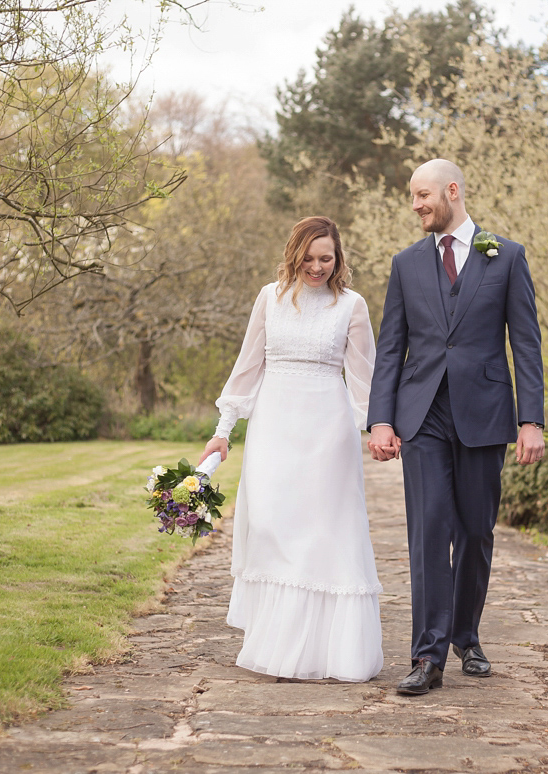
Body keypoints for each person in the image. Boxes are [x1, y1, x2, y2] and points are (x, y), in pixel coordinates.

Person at [367, 159, 545, 696]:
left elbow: (527, 344)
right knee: (428, 532)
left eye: (423, 195)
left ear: (452, 191)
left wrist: (530, 419)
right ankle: (427, 654)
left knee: (474, 530)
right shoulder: (406, 264)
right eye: (412, 198)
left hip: (485, 415)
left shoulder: (507, 256)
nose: (416, 205)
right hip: (422, 415)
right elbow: (391, 347)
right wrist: (380, 417)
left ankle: (466, 635)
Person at [200, 216, 383, 683]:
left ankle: (330, 651)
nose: (317, 266)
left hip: (328, 429)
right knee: (270, 525)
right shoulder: (270, 298)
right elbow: (247, 369)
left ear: (338, 259)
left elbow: (365, 380)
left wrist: (378, 428)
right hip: (274, 426)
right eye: (310, 257)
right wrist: (224, 431)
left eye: (327, 258)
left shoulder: (352, 305)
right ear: (293, 253)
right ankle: (277, 641)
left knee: (324, 532)